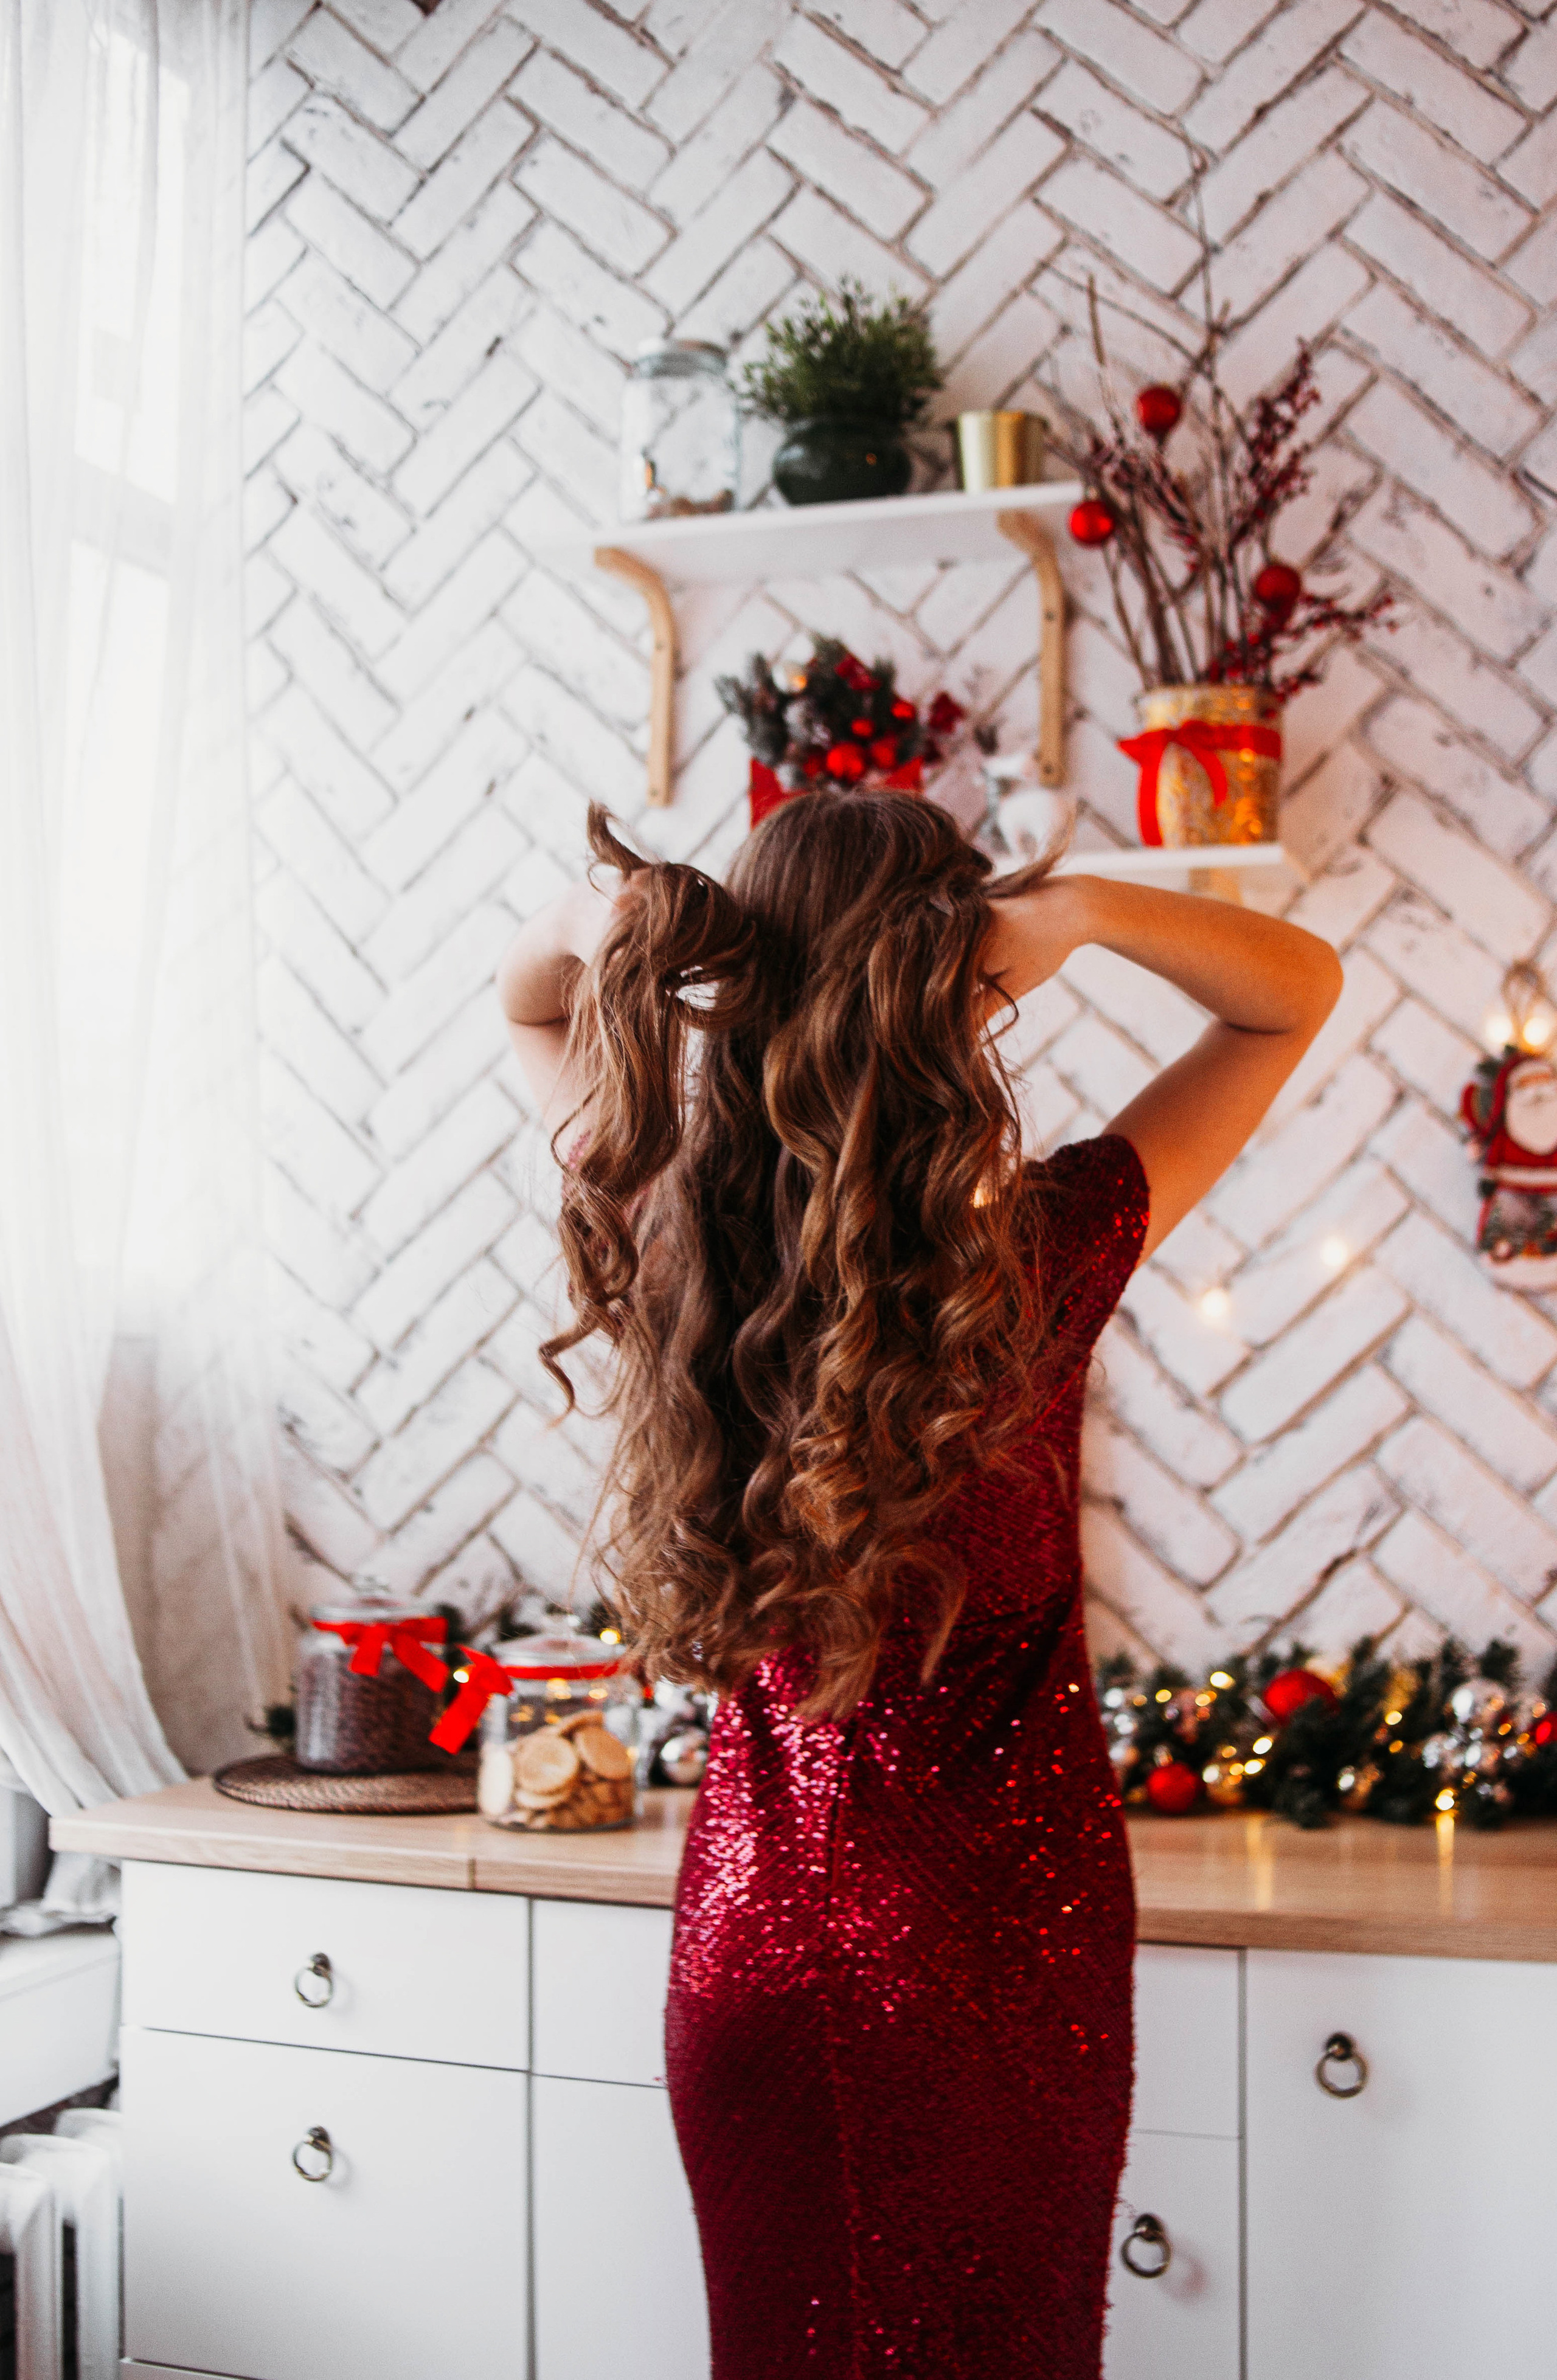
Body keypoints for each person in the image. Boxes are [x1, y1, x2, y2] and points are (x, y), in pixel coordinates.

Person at [497, 792, 1340, 2380]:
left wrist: (622, 920)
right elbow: (1293, 988)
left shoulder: (679, 1241)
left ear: (744, 985)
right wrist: (1082, 907)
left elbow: (529, 996)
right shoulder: (1040, 1256)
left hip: (749, 1951)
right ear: (973, 991)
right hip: (998, 1967)